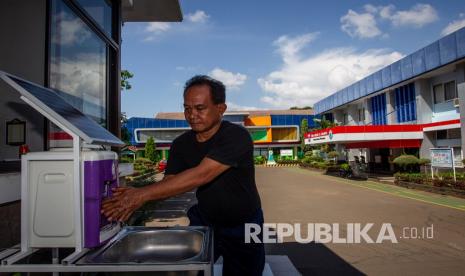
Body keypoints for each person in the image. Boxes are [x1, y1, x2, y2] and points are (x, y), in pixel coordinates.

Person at [102, 75, 265, 275]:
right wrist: (131, 194)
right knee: (189, 270)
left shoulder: (236, 136)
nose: (192, 115)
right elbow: (170, 183)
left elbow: (201, 174)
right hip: (205, 220)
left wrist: (140, 195)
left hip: (245, 224)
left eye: (200, 108)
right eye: (187, 108)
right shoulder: (181, 144)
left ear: (221, 108)